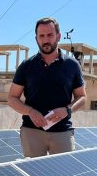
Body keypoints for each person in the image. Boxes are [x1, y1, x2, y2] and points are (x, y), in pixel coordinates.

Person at [8, 17, 87, 158]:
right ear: (36, 38)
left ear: (58, 36)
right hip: (32, 132)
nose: (46, 40)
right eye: (41, 36)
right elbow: (12, 98)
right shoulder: (26, 66)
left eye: (50, 35)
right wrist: (30, 112)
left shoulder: (72, 65)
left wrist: (67, 110)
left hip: (62, 132)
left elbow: (82, 97)